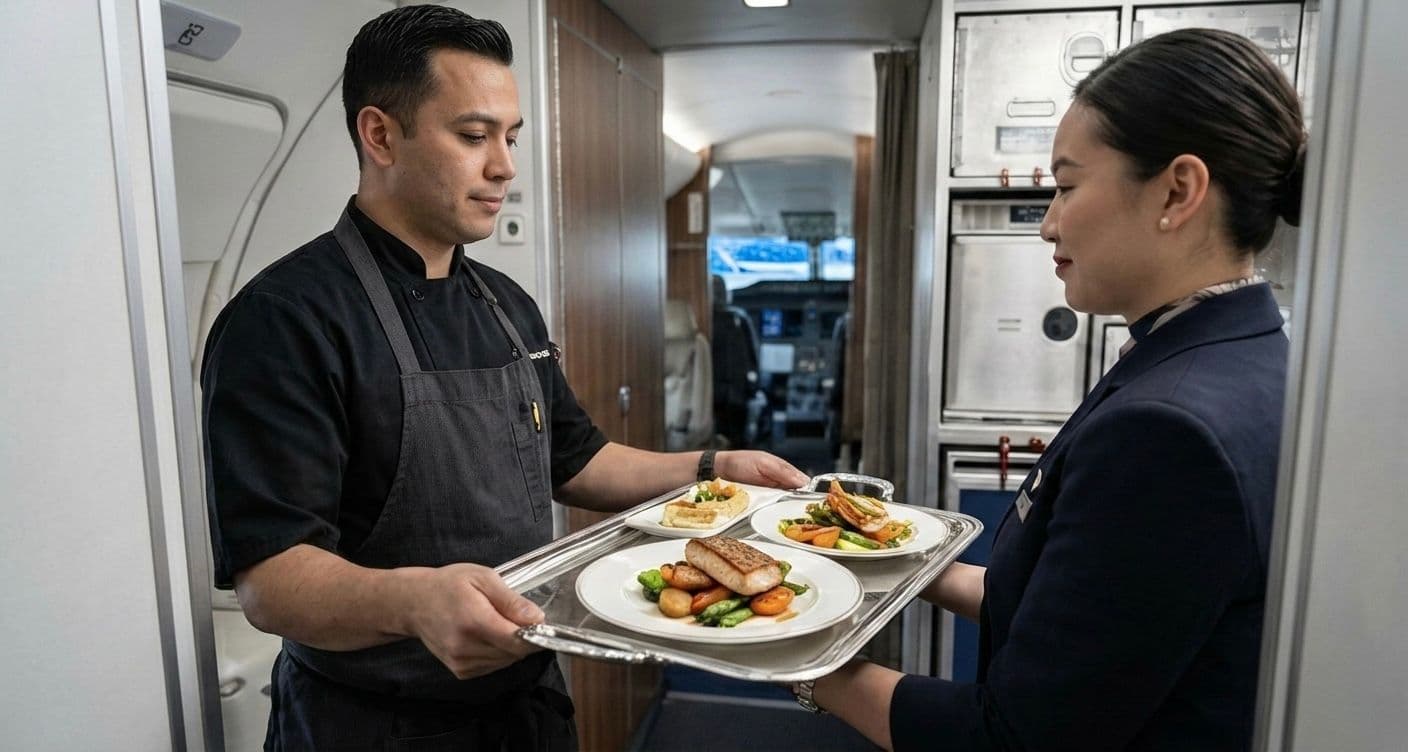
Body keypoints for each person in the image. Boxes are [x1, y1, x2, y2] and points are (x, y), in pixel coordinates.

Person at [199, 6, 807, 750]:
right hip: (371, 722)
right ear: (380, 134)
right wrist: (414, 600)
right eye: (473, 136)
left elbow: (578, 460)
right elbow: (272, 579)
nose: (504, 167)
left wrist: (712, 468)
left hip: (526, 701)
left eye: (510, 139)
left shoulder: (505, 303)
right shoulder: (285, 319)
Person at [796, 28, 1304, 750]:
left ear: (1178, 191)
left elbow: (1010, 738)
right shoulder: (1243, 355)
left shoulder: (1169, 432)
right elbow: (1070, 614)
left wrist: (789, 651)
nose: (1048, 224)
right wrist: (882, 551)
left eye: (1066, 186)